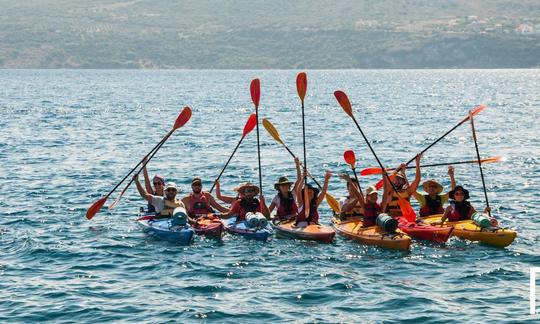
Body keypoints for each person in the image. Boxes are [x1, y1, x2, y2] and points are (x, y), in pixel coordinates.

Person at [294, 158, 332, 227]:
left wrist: (326, 179)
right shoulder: (301, 202)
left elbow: (323, 192)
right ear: (304, 194)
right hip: (301, 226)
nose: (310, 194)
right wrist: (303, 177)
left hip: (313, 227)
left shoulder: (316, 203)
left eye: (311, 192)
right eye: (308, 192)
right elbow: (298, 190)